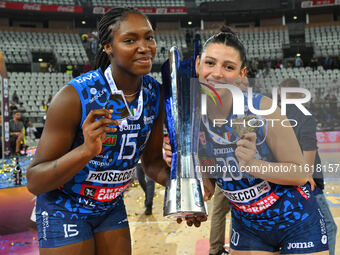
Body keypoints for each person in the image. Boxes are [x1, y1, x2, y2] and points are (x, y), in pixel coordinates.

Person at [164, 27, 329, 255]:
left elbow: (301, 173)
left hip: (296, 220)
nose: (217, 73)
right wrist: (183, 172)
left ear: (242, 73)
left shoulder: (262, 109)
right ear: (198, 64)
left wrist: (254, 166)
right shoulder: (189, 118)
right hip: (248, 226)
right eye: (210, 63)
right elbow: (211, 185)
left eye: (228, 67)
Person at [26, 7, 171, 255]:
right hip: (64, 207)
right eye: (130, 40)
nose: (144, 46)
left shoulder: (154, 93)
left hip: (109, 206)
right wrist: (86, 151)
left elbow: (153, 163)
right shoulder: (73, 97)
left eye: (149, 37)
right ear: (108, 47)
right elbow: (35, 181)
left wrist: (184, 190)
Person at [280, 78, 337, 255]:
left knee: (290, 227)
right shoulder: (304, 115)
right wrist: (305, 177)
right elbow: (309, 147)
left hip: (282, 178)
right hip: (305, 182)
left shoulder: (276, 114)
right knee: (328, 226)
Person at [209, 187, 230, 255]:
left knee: (218, 213)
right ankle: (237, 247)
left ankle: (216, 249)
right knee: (238, 211)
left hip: (222, 179)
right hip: (242, 181)